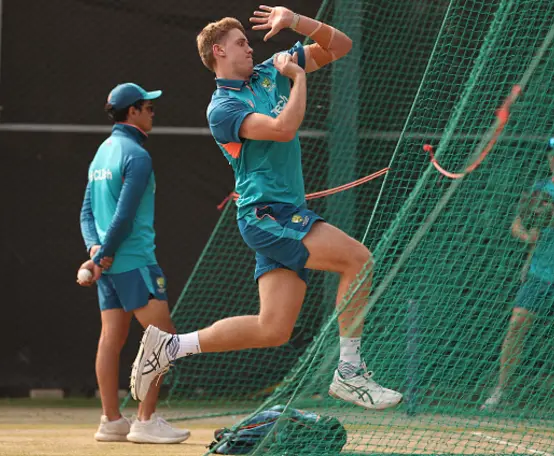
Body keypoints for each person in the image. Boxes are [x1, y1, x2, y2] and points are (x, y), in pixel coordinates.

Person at [129, 5, 403, 411]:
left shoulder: (266, 73)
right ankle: (350, 372)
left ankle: (172, 346)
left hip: (281, 213)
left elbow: (340, 45)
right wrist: (297, 80)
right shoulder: (222, 108)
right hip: (267, 216)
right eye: (240, 43)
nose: (249, 48)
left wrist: (295, 22)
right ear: (218, 53)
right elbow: (283, 129)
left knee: (272, 328)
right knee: (358, 261)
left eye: (248, 41)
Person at [77, 82, 190, 443]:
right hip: (133, 261)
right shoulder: (137, 155)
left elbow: (86, 212)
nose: (152, 111)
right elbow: (123, 215)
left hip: (109, 263)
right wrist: (105, 251)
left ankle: (111, 421)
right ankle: (145, 421)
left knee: (112, 337)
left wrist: (95, 251)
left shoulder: (102, 152)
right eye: (147, 106)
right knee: (165, 338)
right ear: (133, 112)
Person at [482, 136, 554, 417]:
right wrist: (527, 235)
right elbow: (517, 224)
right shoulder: (539, 189)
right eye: (551, 154)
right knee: (517, 324)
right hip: (538, 272)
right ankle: (501, 391)